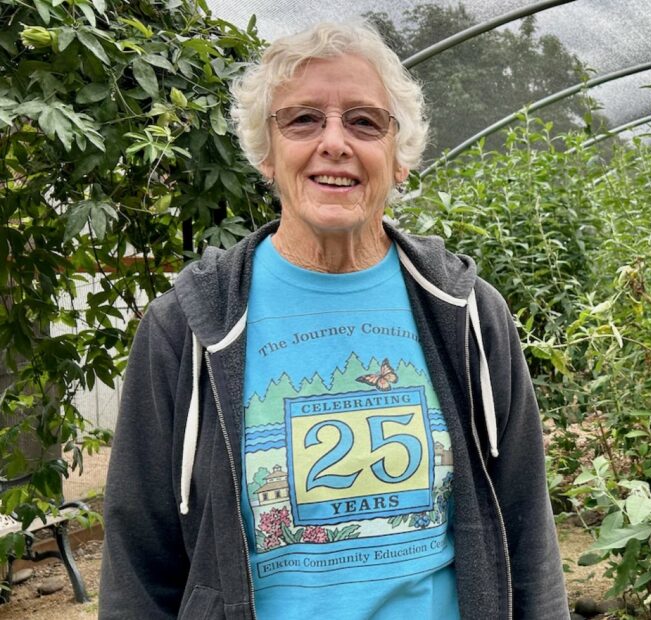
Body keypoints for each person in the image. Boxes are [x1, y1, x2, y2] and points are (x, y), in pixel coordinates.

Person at [99, 22, 569, 619]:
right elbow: (138, 565)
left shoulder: (470, 314)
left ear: (399, 159)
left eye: (365, 122)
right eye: (302, 120)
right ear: (266, 155)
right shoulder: (187, 327)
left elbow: (526, 528)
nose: (335, 143)